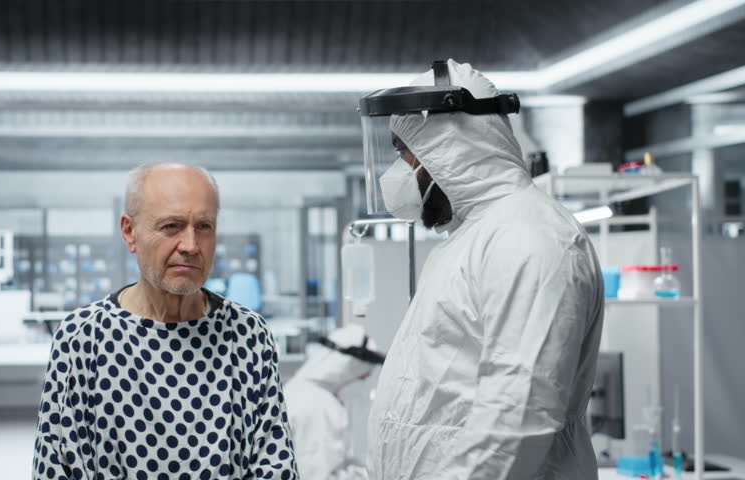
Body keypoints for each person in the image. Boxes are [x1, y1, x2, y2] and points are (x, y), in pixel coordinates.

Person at [362, 60, 605, 478]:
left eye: (405, 153)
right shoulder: (474, 237)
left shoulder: (529, 237)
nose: (400, 171)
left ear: (449, 144)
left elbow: (516, 417)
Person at [32, 163, 297, 480]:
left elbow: (275, 466)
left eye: (204, 227)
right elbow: (55, 468)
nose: (190, 245)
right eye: (172, 226)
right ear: (130, 232)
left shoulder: (248, 335)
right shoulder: (83, 337)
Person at [283, 325, 384, 480]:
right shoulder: (317, 405)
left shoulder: (300, 391)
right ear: (346, 368)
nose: (362, 384)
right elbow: (317, 475)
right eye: (362, 377)